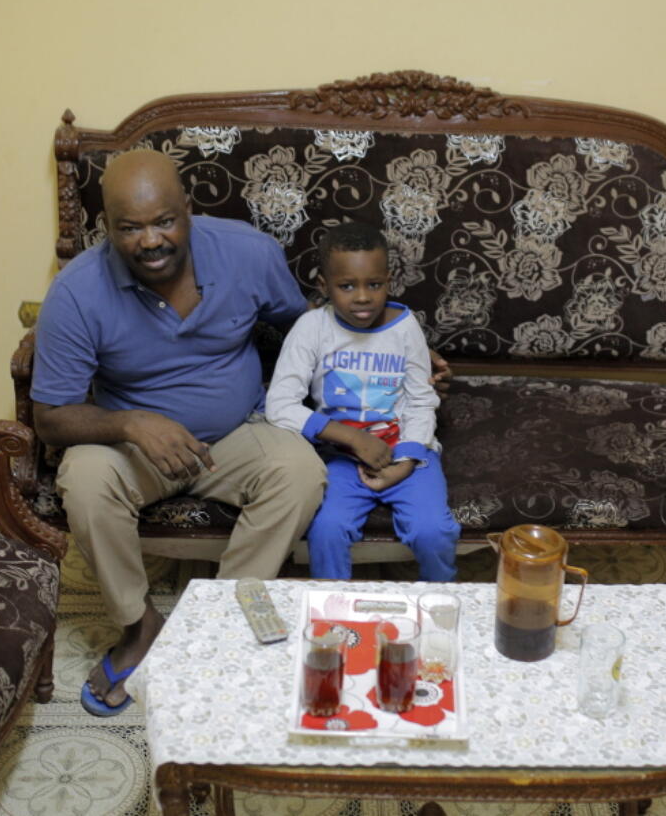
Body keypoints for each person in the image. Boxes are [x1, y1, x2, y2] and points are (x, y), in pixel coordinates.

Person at [30, 149, 328, 716]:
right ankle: (140, 625)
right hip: (132, 447)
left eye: (164, 221)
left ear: (188, 211)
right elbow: (51, 416)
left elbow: (308, 326)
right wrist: (131, 423)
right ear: (107, 227)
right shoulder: (76, 292)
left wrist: (397, 347)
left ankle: (212, 621)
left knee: (300, 470)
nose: (150, 241)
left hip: (238, 433)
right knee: (86, 481)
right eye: (130, 228)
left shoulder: (247, 253)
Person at [265, 222, 461, 581]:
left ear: (389, 280)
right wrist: (352, 438)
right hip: (342, 458)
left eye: (374, 285)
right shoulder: (311, 328)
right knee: (326, 531)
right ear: (324, 287)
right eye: (346, 286)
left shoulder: (405, 327)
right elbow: (280, 405)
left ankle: (441, 604)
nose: (362, 297)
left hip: (408, 455)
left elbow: (421, 400)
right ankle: (332, 615)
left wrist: (406, 459)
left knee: (433, 530)